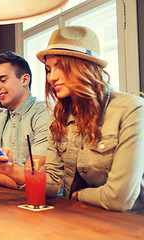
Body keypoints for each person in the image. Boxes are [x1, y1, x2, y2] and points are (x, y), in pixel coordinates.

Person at [35, 26, 144, 212]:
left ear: (83, 66)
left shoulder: (131, 109)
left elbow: (118, 199)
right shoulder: (58, 117)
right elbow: (53, 184)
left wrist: (79, 195)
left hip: (129, 225)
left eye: (60, 66)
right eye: (48, 69)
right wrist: (9, 170)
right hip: (78, 218)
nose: (51, 77)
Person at [0, 51, 49, 190]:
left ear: (25, 80)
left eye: (2, 80)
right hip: (6, 204)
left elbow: (33, 179)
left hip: (44, 205)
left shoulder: (44, 114)